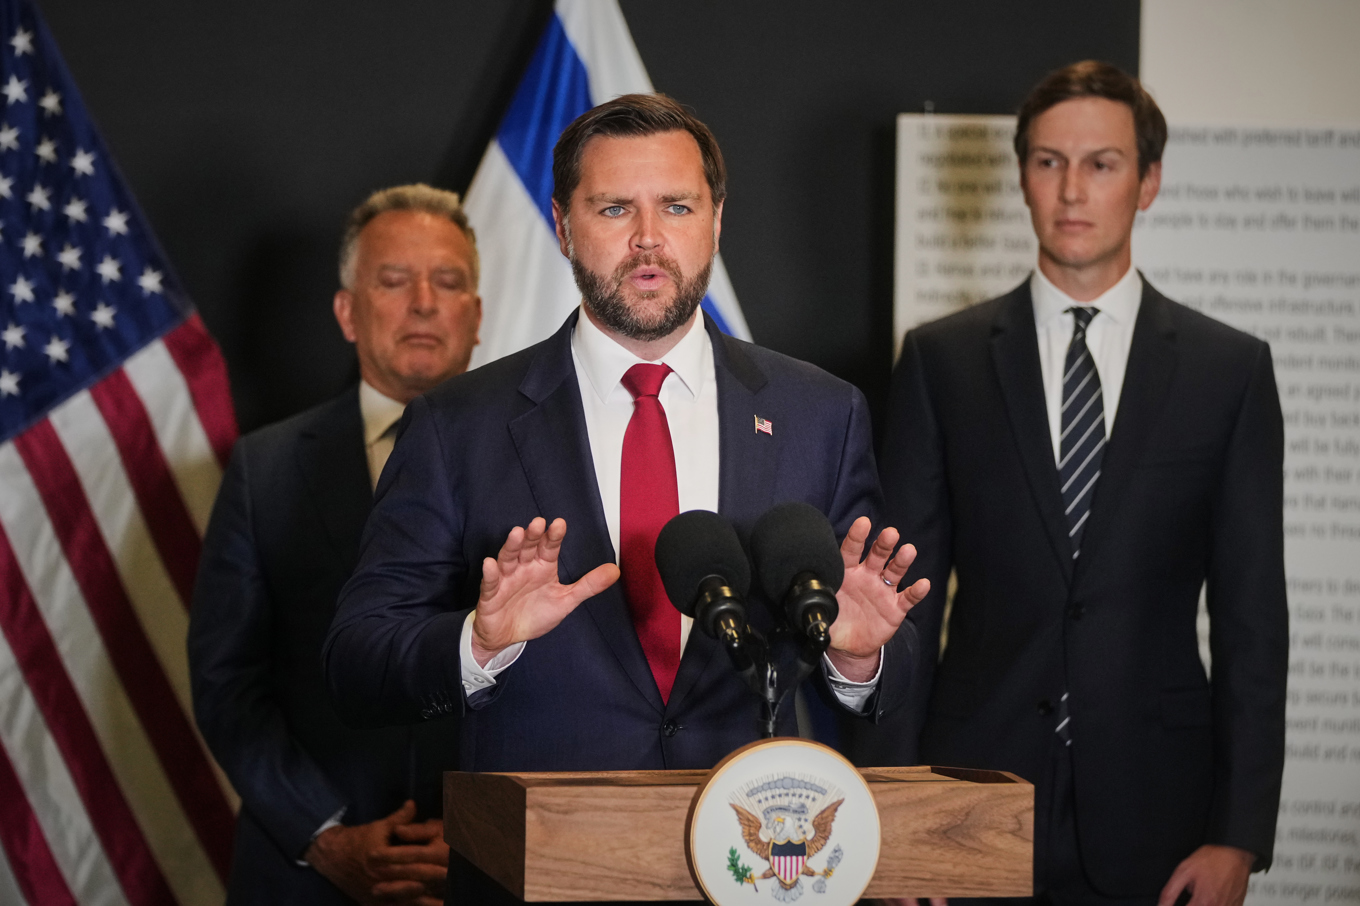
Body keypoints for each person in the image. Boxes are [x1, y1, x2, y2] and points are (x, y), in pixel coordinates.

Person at [322, 94, 929, 904]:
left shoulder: (822, 414)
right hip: (536, 875)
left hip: (755, 873)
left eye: (676, 206)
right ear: (564, 227)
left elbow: (892, 657)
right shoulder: (457, 425)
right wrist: (480, 642)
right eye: (615, 207)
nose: (648, 237)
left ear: (716, 219)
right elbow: (355, 659)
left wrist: (858, 656)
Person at [875, 61, 1287, 906]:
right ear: (1021, 176)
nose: (1072, 188)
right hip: (969, 797)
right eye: (1048, 161)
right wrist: (891, 803)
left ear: (1148, 182)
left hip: (1162, 812)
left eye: (1101, 163)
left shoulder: (1230, 371)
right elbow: (898, 604)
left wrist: (1238, 834)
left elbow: (1253, 618)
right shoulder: (940, 360)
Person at [188, 184, 483, 905]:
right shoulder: (266, 469)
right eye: (393, 280)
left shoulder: (551, 463)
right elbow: (228, 683)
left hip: (490, 872)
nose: (422, 302)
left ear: (477, 315)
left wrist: (495, 833)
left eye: (447, 282)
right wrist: (322, 834)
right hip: (308, 878)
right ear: (347, 312)